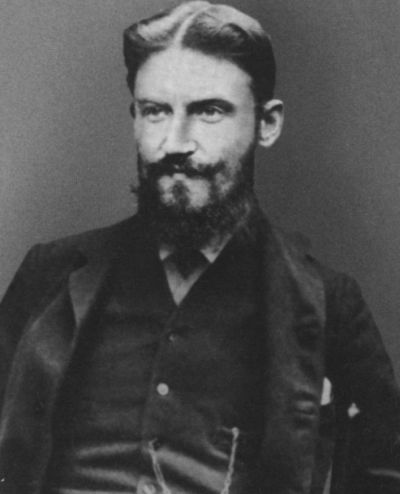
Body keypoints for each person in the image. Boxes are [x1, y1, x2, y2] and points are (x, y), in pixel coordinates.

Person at [0, 2, 399, 493]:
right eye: (155, 111)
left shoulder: (325, 304)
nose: (175, 142)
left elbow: (384, 475)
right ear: (134, 118)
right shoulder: (51, 275)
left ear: (267, 124)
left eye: (209, 111)